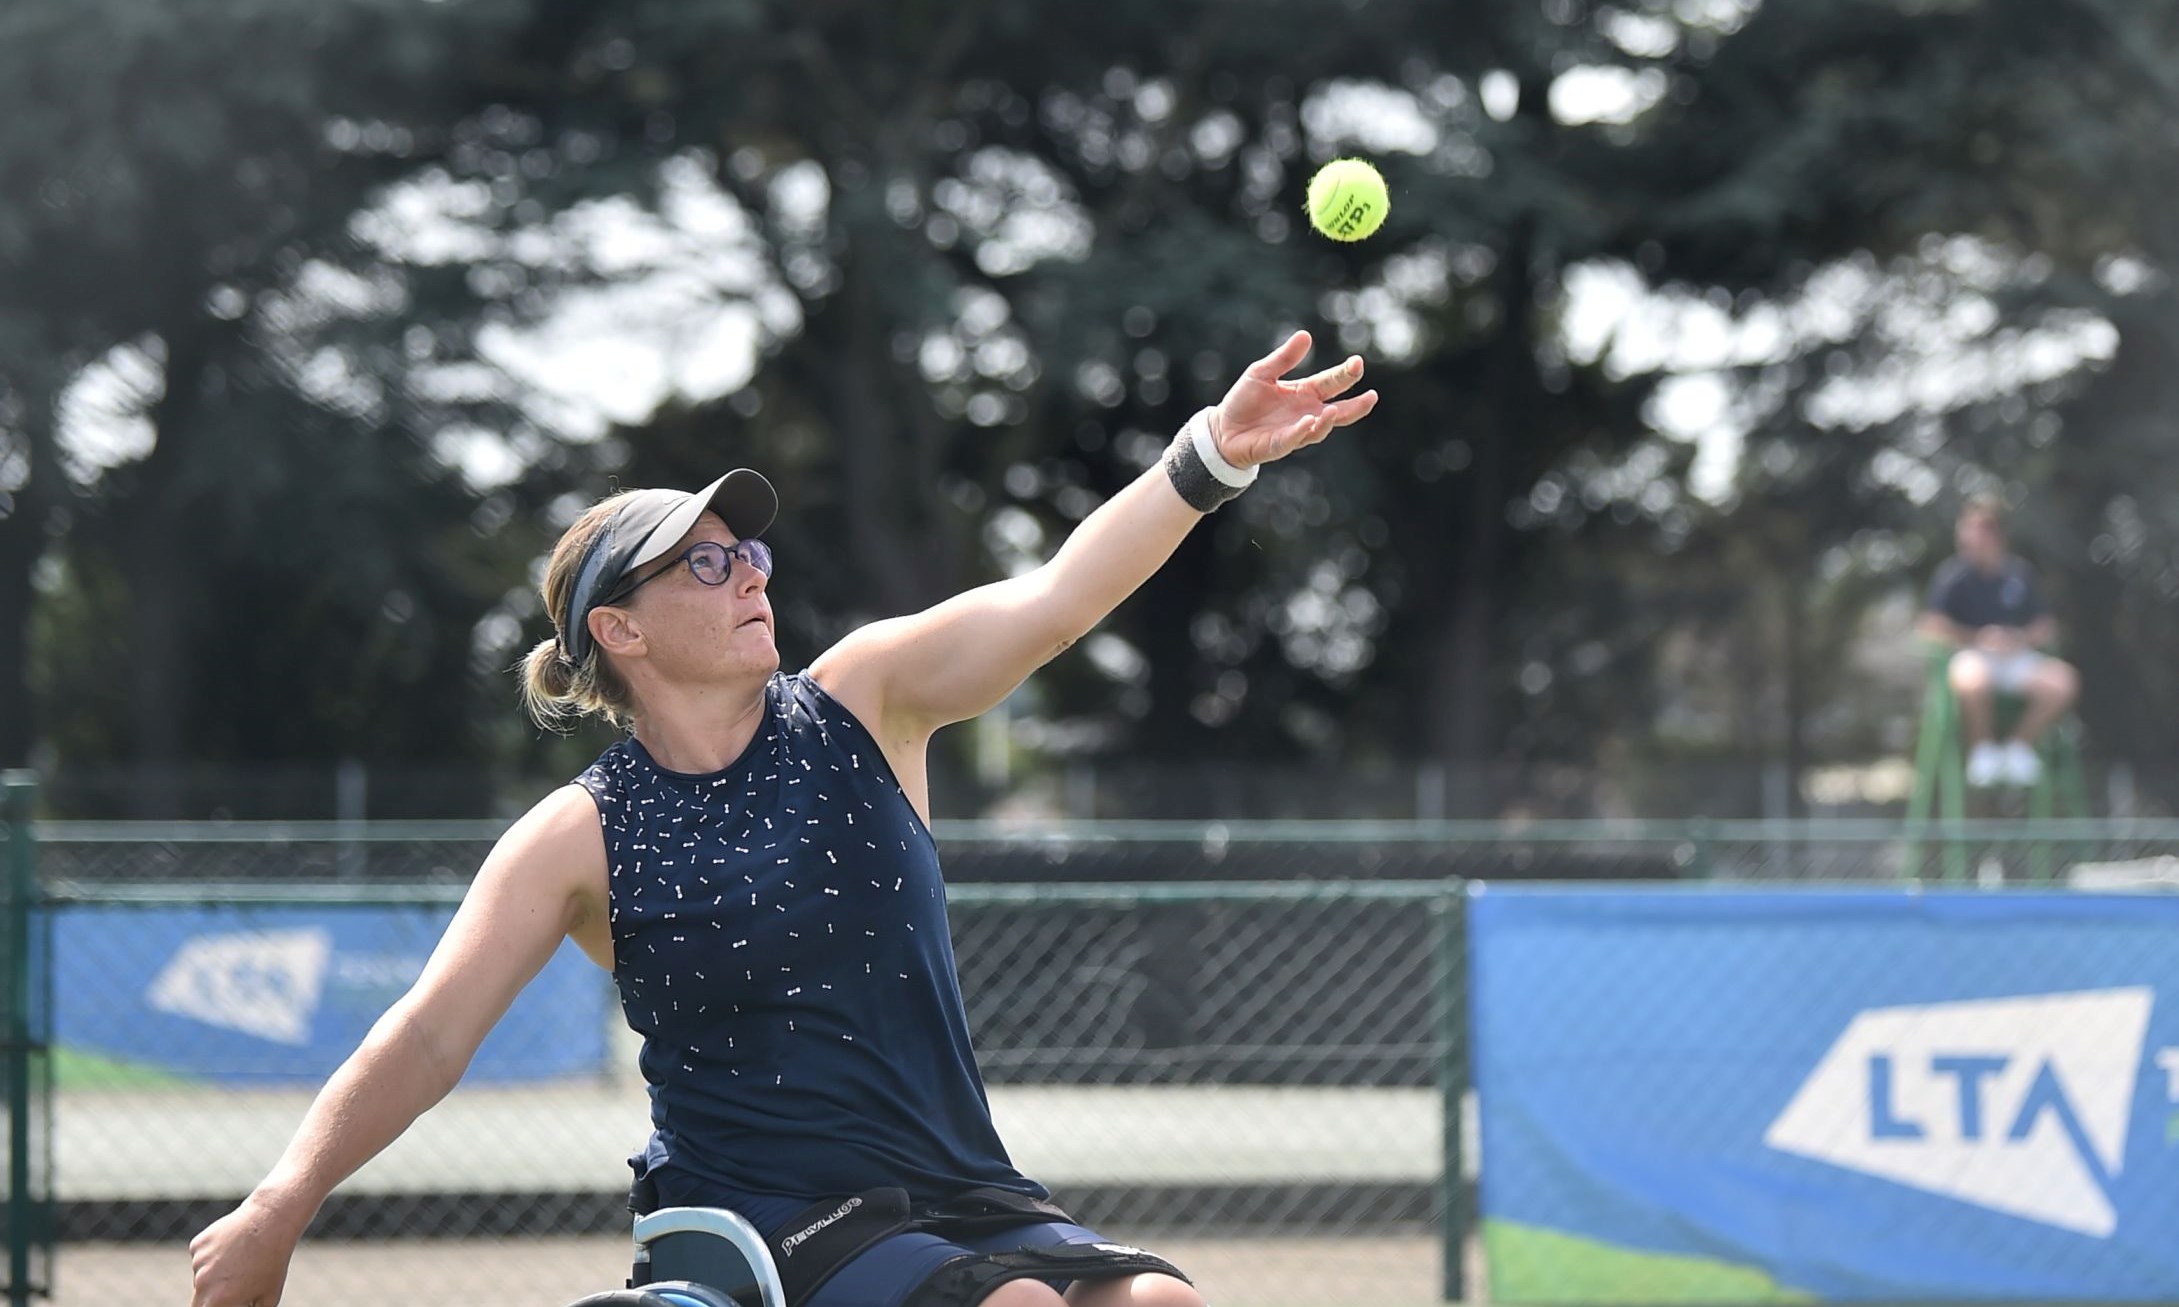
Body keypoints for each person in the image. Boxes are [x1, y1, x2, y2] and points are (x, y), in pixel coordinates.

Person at [187, 329, 1378, 1307]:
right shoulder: (577, 834)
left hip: (961, 1184)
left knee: (1164, 1306)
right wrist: (277, 1205)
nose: (751, 571)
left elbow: (1058, 595)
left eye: (745, 549)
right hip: (766, 1215)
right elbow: (428, 1036)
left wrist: (1209, 456)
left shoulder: (867, 696)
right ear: (621, 628)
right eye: (704, 564)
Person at [1917, 494, 2079, 789]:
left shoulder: (2020, 574)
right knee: (1973, 680)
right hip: (1972, 655)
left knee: (2063, 681)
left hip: (2017, 660)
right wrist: (1977, 638)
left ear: (1995, 533)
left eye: (1976, 529)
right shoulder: (1953, 577)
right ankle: (1984, 751)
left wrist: (2018, 638)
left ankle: (2019, 748)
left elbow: (2046, 626)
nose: (1968, 537)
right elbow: (1931, 626)